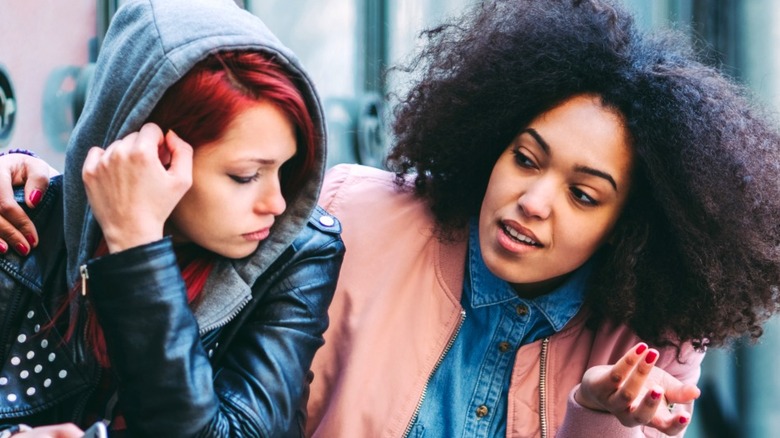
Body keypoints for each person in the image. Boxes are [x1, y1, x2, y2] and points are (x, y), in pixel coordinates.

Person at [4, 0, 780, 437]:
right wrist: (54, 185)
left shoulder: (654, 336)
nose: (533, 201)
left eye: (585, 194)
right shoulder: (353, 216)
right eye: (526, 157)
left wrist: (594, 418)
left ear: (632, 227)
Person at [0, 0, 343, 436]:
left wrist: (137, 245)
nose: (277, 203)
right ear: (152, 153)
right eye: (246, 176)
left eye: (286, 169)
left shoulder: (299, 256)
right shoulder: (22, 223)